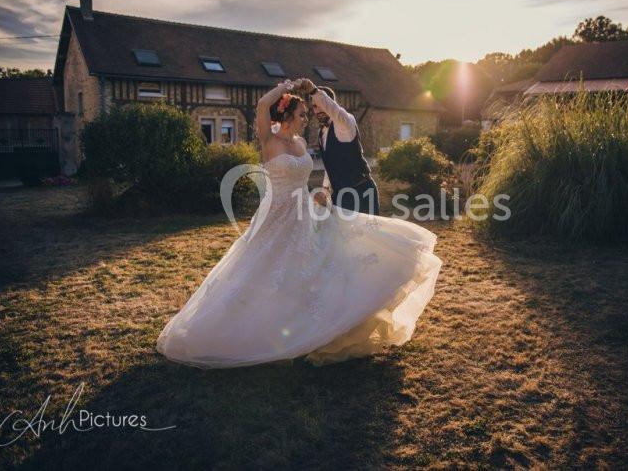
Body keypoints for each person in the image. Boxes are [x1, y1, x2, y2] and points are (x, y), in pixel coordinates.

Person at [156, 78, 442, 368]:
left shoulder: (308, 139)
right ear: (288, 115)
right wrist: (286, 87)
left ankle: (326, 320)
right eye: (303, 114)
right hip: (277, 215)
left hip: (304, 212)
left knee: (316, 264)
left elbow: (311, 176)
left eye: (310, 112)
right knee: (265, 266)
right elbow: (262, 104)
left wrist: (319, 193)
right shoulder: (270, 139)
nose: (308, 119)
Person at [297, 78, 379, 215]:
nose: (318, 109)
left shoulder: (346, 123)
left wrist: (313, 91)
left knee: (367, 236)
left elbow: (335, 111)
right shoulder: (321, 133)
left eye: (321, 104)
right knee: (341, 235)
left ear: (330, 104)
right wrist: (325, 189)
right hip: (341, 196)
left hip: (362, 192)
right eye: (315, 106)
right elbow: (331, 165)